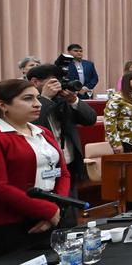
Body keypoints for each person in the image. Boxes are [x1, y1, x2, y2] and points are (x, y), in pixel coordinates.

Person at [0, 80, 70, 265]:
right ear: (2, 105)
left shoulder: (43, 131)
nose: (37, 104)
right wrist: (48, 210)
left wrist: (56, 208)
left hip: (47, 220)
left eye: (37, 98)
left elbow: (62, 174)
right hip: (4, 226)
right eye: (28, 99)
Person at [26, 64, 98, 210]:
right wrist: (45, 98)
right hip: (42, 168)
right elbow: (32, 125)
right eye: (53, 81)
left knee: (70, 211)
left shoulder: (64, 102)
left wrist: (73, 101)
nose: (58, 86)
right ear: (35, 82)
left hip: (69, 164)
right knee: (48, 210)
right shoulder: (26, 103)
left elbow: (90, 119)